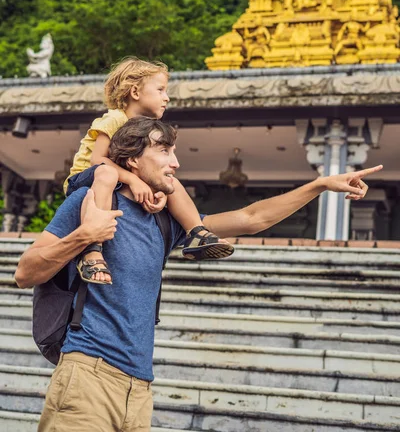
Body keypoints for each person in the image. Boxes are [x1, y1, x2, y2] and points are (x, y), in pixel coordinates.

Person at [15, 116, 383, 432]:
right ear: (132, 160)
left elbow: (251, 219)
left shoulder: (165, 220)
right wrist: (85, 236)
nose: (175, 163)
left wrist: (319, 185)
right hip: (87, 374)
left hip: (139, 387)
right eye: (164, 151)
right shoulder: (88, 203)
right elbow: (25, 272)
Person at [64, 56, 234, 285]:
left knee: (171, 182)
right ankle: (92, 251)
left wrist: (158, 189)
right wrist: (135, 182)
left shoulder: (144, 130)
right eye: (161, 89)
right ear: (135, 92)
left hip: (116, 178)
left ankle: (196, 233)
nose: (167, 97)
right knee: (108, 173)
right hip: (86, 179)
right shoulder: (115, 119)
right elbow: (97, 160)